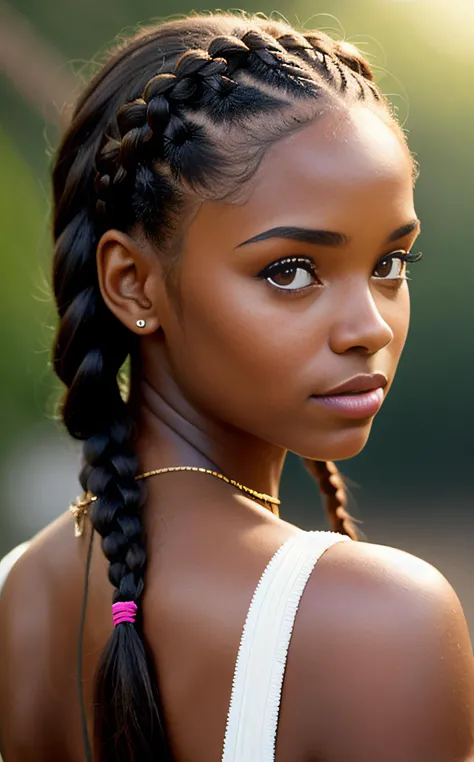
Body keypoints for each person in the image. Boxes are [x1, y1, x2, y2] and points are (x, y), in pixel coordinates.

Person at [0, 12, 473, 762]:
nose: (369, 327)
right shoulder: (378, 626)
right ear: (133, 284)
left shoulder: (17, 591)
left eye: (391, 264)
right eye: (290, 271)